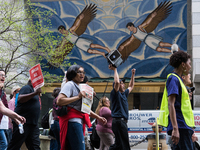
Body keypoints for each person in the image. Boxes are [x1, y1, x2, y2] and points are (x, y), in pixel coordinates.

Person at [56, 64, 107, 150]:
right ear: (72, 73)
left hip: (77, 122)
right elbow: (59, 101)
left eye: (83, 72)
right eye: (79, 72)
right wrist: (78, 97)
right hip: (72, 122)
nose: (82, 74)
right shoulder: (70, 85)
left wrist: (98, 117)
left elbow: (84, 109)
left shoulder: (80, 87)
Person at [158, 51, 195, 150]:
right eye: (189, 64)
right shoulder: (173, 79)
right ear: (183, 64)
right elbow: (171, 104)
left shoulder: (179, 80)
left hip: (184, 126)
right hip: (180, 126)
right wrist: (175, 129)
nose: (190, 67)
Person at [7, 79, 42, 150]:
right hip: (23, 122)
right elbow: (20, 98)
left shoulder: (34, 90)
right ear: (31, 80)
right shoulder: (27, 88)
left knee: (35, 146)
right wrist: (35, 93)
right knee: (15, 145)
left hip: (33, 124)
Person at [108, 64, 136, 150]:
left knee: (119, 145)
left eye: (123, 83)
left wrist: (133, 75)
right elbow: (116, 82)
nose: (123, 85)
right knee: (124, 146)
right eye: (122, 83)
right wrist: (115, 70)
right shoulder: (115, 94)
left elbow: (131, 86)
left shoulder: (124, 94)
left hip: (121, 122)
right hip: (119, 122)